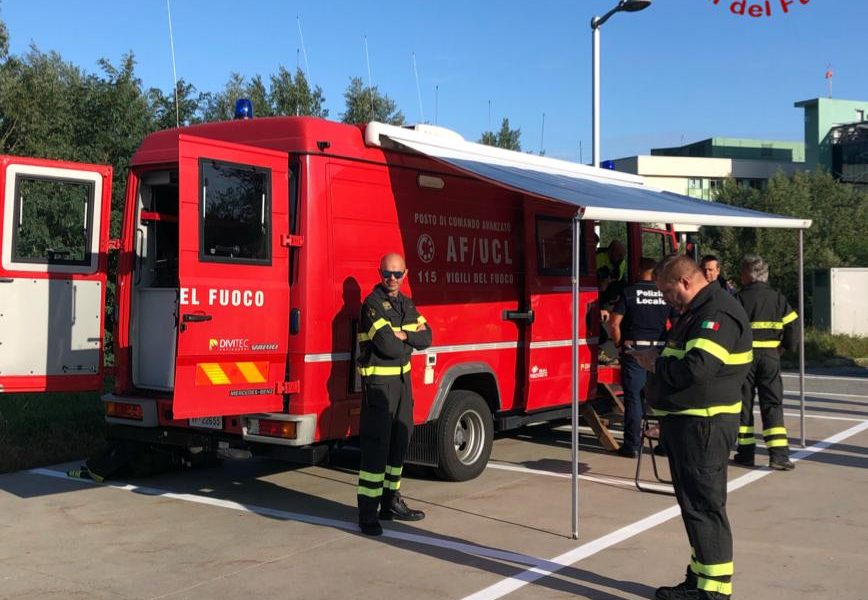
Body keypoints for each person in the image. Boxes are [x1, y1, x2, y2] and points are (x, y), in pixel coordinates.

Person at [631, 255, 752, 600]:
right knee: (695, 506)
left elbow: (698, 367)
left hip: (705, 423)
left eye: (669, 293)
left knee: (704, 506)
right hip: (692, 422)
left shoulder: (715, 313)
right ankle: (700, 580)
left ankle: (712, 592)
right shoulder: (700, 309)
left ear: (685, 282)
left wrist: (657, 362)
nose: (668, 301)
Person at [356, 253, 432, 536]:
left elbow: (428, 337)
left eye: (397, 274)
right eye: (387, 273)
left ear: (406, 274)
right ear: (379, 273)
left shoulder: (406, 303)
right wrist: (406, 337)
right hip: (379, 386)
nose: (392, 279)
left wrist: (404, 336)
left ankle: (390, 503)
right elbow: (387, 346)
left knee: (400, 443)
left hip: (403, 384)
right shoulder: (371, 305)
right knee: (376, 450)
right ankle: (367, 513)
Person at [733, 255, 798, 470]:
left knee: (744, 404)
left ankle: (746, 453)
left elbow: (730, 328)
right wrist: (783, 348)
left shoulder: (739, 298)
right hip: (771, 356)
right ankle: (778, 455)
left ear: (747, 275)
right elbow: (793, 329)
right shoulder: (778, 298)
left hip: (745, 357)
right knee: (772, 404)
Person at [609, 257, 673, 458]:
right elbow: (678, 322)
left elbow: (614, 323)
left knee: (634, 399)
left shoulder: (629, 293)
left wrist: (619, 344)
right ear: (656, 273)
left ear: (638, 270)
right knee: (661, 399)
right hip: (659, 352)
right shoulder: (665, 294)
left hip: (635, 351)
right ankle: (664, 444)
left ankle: (632, 446)